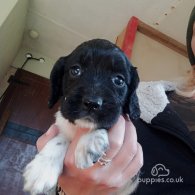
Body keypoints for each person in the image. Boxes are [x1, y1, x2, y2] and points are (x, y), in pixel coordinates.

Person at [37, 7, 195, 195]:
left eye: (118, 81)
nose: (93, 97)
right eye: (76, 71)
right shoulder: (144, 96)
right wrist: (67, 190)